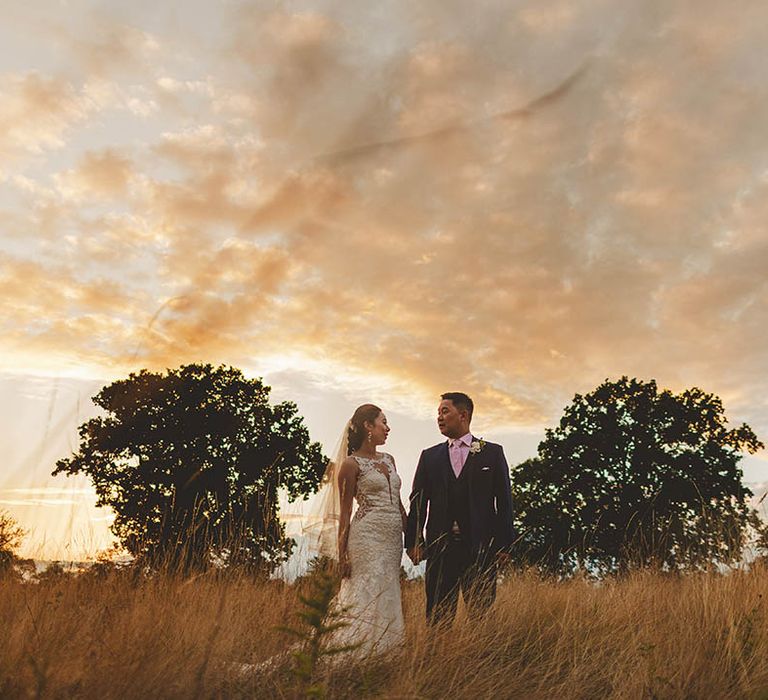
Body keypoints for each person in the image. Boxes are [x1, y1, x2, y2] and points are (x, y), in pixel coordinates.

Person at [405, 392, 515, 625]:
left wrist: (504, 544)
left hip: (480, 548)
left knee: (482, 615)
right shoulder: (429, 457)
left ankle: (481, 660)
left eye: (445, 411)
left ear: (463, 415)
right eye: (438, 413)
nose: (439, 418)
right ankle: (438, 659)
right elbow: (418, 501)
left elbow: (504, 501)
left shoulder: (492, 453)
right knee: (437, 617)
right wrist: (414, 541)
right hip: (440, 548)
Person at [310, 403, 407, 656]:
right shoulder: (350, 465)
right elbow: (345, 513)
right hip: (366, 538)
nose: (388, 428)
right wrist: (342, 555)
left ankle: (385, 652)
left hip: (392, 541)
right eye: (383, 422)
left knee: (388, 591)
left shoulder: (390, 460)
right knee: (366, 592)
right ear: (368, 426)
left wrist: (414, 537)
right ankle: (353, 651)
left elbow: (398, 502)